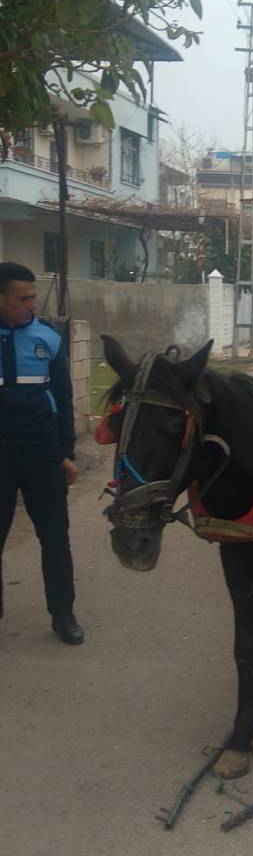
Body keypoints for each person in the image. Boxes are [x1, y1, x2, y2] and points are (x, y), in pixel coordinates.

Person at [0, 262, 83, 644]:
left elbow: (64, 400)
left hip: (42, 455)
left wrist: (67, 453)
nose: (31, 305)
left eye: (34, 297)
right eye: (23, 299)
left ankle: (63, 614)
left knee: (55, 539)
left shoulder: (47, 338)